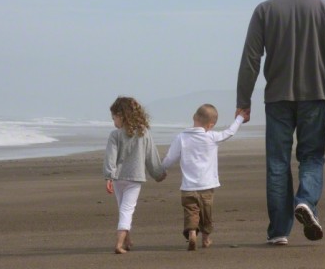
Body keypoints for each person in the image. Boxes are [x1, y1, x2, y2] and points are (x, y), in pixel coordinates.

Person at [236, 0, 325, 246]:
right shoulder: (323, 8)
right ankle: (306, 203)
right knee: (312, 157)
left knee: (278, 163)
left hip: (277, 98)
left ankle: (278, 230)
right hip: (314, 96)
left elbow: (251, 60)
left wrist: (243, 101)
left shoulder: (264, 10)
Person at [162, 104, 247, 251]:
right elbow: (230, 132)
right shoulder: (212, 136)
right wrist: (240, 117)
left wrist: (160, 170)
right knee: (206, 214)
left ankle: (192, 232)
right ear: (211, 125)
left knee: (191, 211)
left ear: (194, 117)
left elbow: (169, 159)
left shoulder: (181, 138)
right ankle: (206, 238)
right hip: (207, 186)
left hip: (188, 187)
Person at [103, 96, 166, 254]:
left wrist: (109, 176)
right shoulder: (143, 133)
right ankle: (119, 244)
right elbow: (151, 156)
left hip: (118, 178)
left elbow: (110, 157)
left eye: (114, 118)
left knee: (123, 209)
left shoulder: (115, 135)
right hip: (135, 178)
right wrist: (158, 174)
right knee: (126, 210)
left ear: (121, 116)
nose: (113, 122)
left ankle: (127, 241)